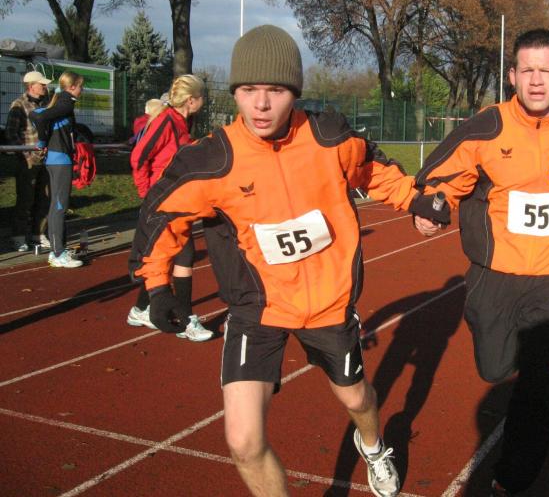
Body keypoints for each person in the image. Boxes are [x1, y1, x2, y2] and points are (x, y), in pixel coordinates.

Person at [128, 25, 441, 497]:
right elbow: (163, 216)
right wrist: (157, 287)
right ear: (235, 91)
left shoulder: (329, 137)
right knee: (243, 442)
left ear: (294, 92)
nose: (260, 104)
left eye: (275, 90)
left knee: (357, 399)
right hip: (257, 309)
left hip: (327, 304)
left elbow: (373, 170)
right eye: (248, 90)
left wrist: (414, 200)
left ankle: (374, 447)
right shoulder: (211, 159)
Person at [412, 28, 549, 496]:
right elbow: (444, 177)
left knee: (538, 381)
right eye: (526, 70)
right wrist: (432, 209)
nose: (536, 80)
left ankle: (512, 479)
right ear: (512, 76)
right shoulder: (485, 128)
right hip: (494, 276)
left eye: (545, 71)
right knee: (494, 370)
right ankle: (505, 359)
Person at [127, 75, 212, 342]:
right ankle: (186, 320)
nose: (205, 102)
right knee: (183, 255)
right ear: (191, 100)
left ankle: (140, 309)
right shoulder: (166, 121)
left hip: (177, 200)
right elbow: (138, 157)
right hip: (161, 203)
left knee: (167, 258)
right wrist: (147, 195)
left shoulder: (183, 122)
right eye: (202, 97)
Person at [29, 71, 84, 268]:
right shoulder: (65, 103)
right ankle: (58, 253)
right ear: (72, 87)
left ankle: (57, 250)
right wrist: (42, 141)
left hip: (56, 159)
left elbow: (37, 115)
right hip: (60, 160)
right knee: (60, 206)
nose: (82, 90)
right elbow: (37, 116)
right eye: (81, 86)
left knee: (56, 206)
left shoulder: (60, 101)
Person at [5, 71, 51, 252]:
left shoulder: (47, 104)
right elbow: (11, 133)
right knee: (25, 199)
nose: (45, 87)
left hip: (47, 159)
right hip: (28, 161)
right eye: (42, 84)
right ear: (32, 86)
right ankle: (18, 236)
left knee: (44, 198)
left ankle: (39, 234)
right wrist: (26, 155)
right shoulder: (19, 104)